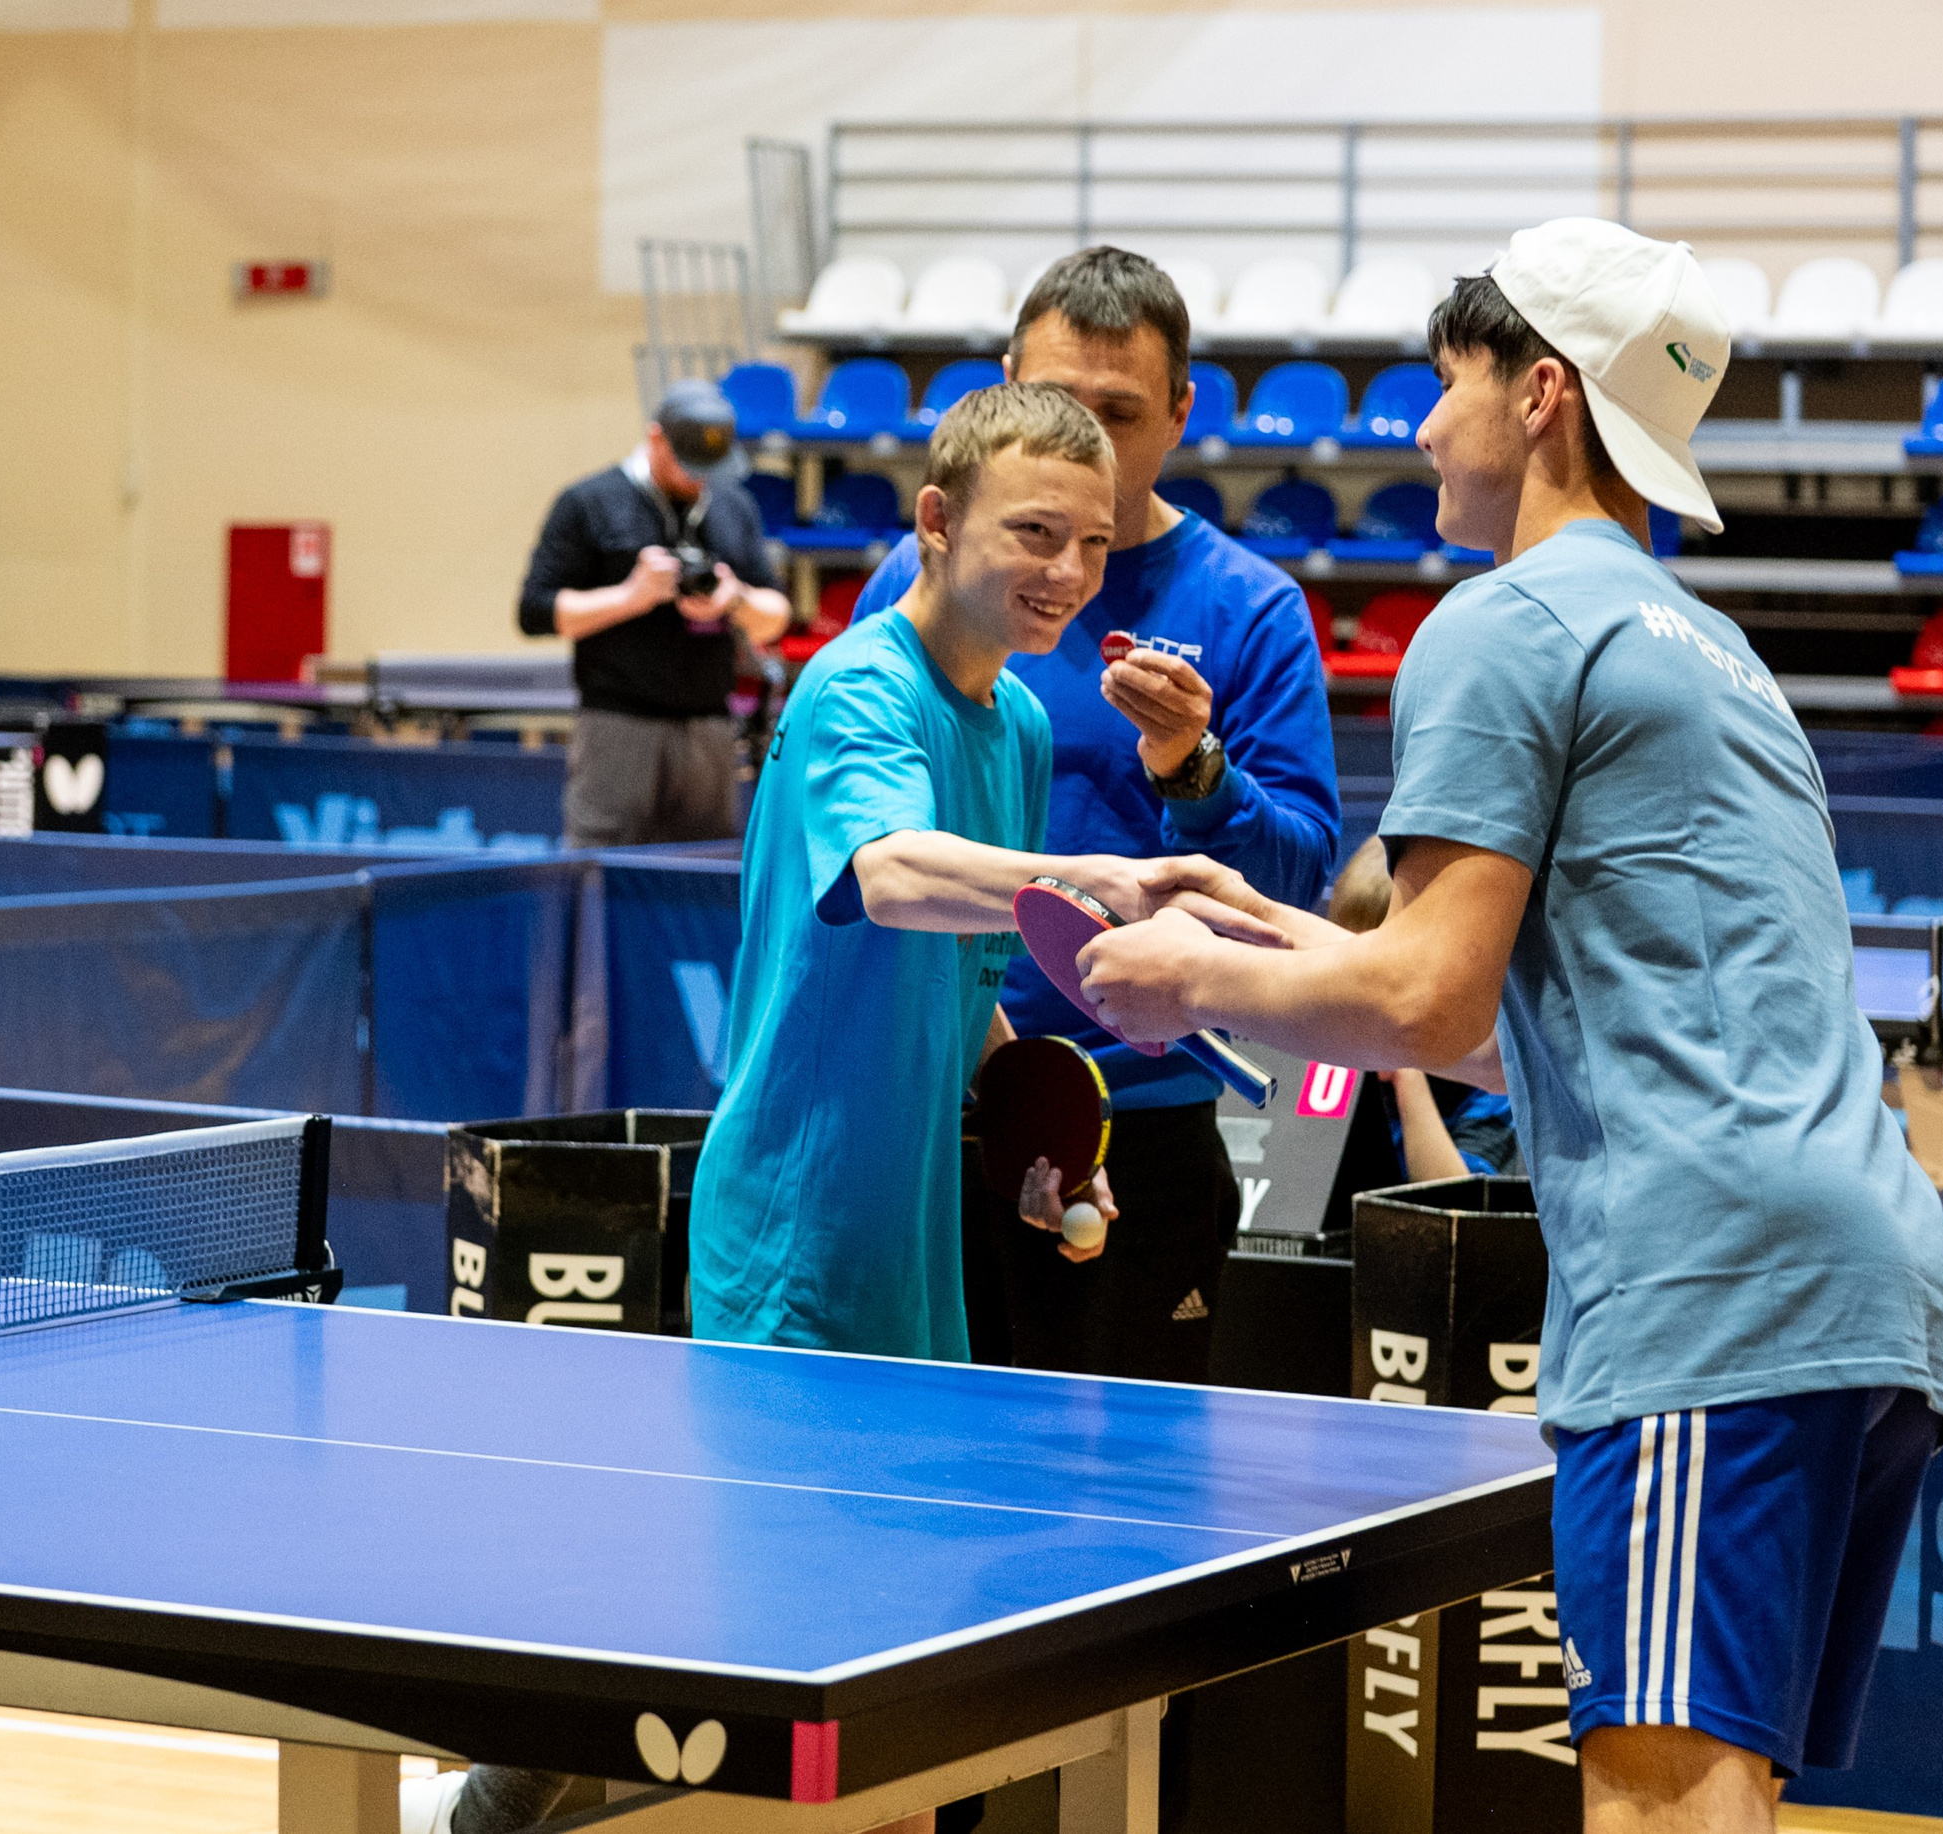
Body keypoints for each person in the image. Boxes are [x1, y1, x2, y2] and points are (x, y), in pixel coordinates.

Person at [1075, 220, 1943, 1834]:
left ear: (1541, 392)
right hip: (1866, 1285)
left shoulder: (1502, 622)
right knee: (1718, 1782)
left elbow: (1427, 996)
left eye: (1447, 383)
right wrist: (1271, 930)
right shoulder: (1709, 649)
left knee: (1658, 1794)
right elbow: (1536, 1026)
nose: (1421, 426)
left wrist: (1180, 977)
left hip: (1712, 1287)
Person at [408, 384, 1276, 1834]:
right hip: (798, 1224)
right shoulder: (856, 687)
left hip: (909, 1244)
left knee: (857, 1631)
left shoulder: (1013, 731)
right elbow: (883, 870)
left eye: (1091, 541)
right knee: (779, 1635)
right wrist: (1098, 883)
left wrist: (1043, 1122)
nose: (1067, 568)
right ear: (936, 524)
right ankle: (494, 1800)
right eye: (1033, 532)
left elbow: (971, 979)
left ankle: (498, 1801)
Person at [852, 246, 1341, 1382]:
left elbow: (1299, 879)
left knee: (1119, 1503)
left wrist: (1192, 767)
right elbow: (878, 854)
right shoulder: (913, 590)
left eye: (1117, 413)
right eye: (1055, 403)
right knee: (915, 1483)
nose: (1082, 441)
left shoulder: (1248, 608)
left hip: (1145, 1116)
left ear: (1178, 415)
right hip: (941, 1108)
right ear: (1001, 392)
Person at [518, 376, 794, 846]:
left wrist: (735, 600)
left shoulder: (733, 506)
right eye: (687, 463)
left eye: (708, 465)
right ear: (655, 439)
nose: (697, 476)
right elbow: (536, 612)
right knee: (601, 876)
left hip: (708, 729)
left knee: (698, 882)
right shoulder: (589, 502)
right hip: (618, 728)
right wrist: (632, 596)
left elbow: (777, 613)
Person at [1327, 834, 1518, 1182]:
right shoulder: (1329, 1053)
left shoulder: (1490, 1078)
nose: (1361, 999)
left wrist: (1405, 1070)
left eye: (1379, 980)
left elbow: (1460, 1207)